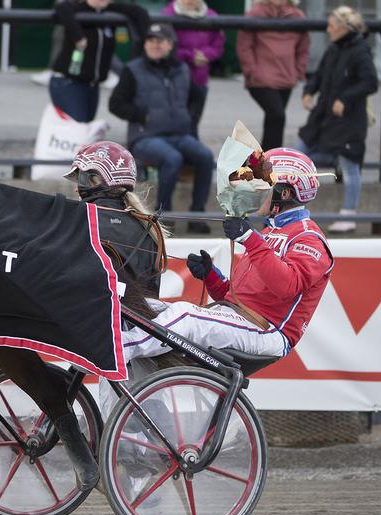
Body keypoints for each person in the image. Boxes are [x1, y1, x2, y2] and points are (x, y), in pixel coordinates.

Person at [126, 147, 333, 362]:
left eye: (263, 185)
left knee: (185, 316)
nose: (254, 191)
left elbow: (286, 286)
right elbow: (237, 298)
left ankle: (116, 351)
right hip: (244, 319)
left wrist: (249, 239)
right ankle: (137, 391)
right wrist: (210, 276)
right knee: (141, 309)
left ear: (285, 193)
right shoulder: (270, 231)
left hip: (270, 332)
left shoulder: (309, 239)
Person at [108, 22, 214, 232]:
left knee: (205, 156)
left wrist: (190, 117)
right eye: (150, 40)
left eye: (160, 41)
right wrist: (142, 115)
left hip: (180, 135)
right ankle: (163, 215)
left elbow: (197, 96)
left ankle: (197, 216)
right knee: (171, 158)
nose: (154, 45)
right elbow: (116, 104)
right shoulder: (133, 69)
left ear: (170, 44)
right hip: (145, 137)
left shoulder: (182, 69)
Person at [296, 6, 377, 234]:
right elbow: (320, 75)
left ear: (343, 27)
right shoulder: (334, 49)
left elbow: (370, 82)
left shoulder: (360, 50)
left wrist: (345, 98)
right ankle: (292, 211)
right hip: (322, 118)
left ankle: (348, 214)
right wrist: (308, 91)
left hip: (348, 120)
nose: (328, 30)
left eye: (332, 26)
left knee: (350, 165)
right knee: (299, 156)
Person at [64, 140, 166, 297]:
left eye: (80, 180)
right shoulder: (149, 228)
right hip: (140, 320)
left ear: (94, 180)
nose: (76, 188)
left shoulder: (79, 221)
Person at [49, 0, 150, 122]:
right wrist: (78, 36)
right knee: (78, 128)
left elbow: (139, 11)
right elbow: (61, 7)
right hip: (69, 81)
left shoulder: (110, 10)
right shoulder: (77, 8)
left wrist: (147, 41)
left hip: (93, 84)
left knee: (86, 127)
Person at [236, 0, 310, 151]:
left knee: (274, 120)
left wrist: (298, 71)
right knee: (277, 115)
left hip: (286, 78)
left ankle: (263, 162)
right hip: (260, 79)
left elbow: (303, 47)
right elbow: (244, 45)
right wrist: (252, 71)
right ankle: (271, 162)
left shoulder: (297, 16)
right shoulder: (255, 14)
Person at [161, 0, 225, 139]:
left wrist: (206, 54)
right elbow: (165, 47)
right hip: (174, 79)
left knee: (194, 119)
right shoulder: (167, 14)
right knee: (177, 120)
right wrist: (191, 56)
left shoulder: (212, 16)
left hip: (200, 78)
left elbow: (218, 45)